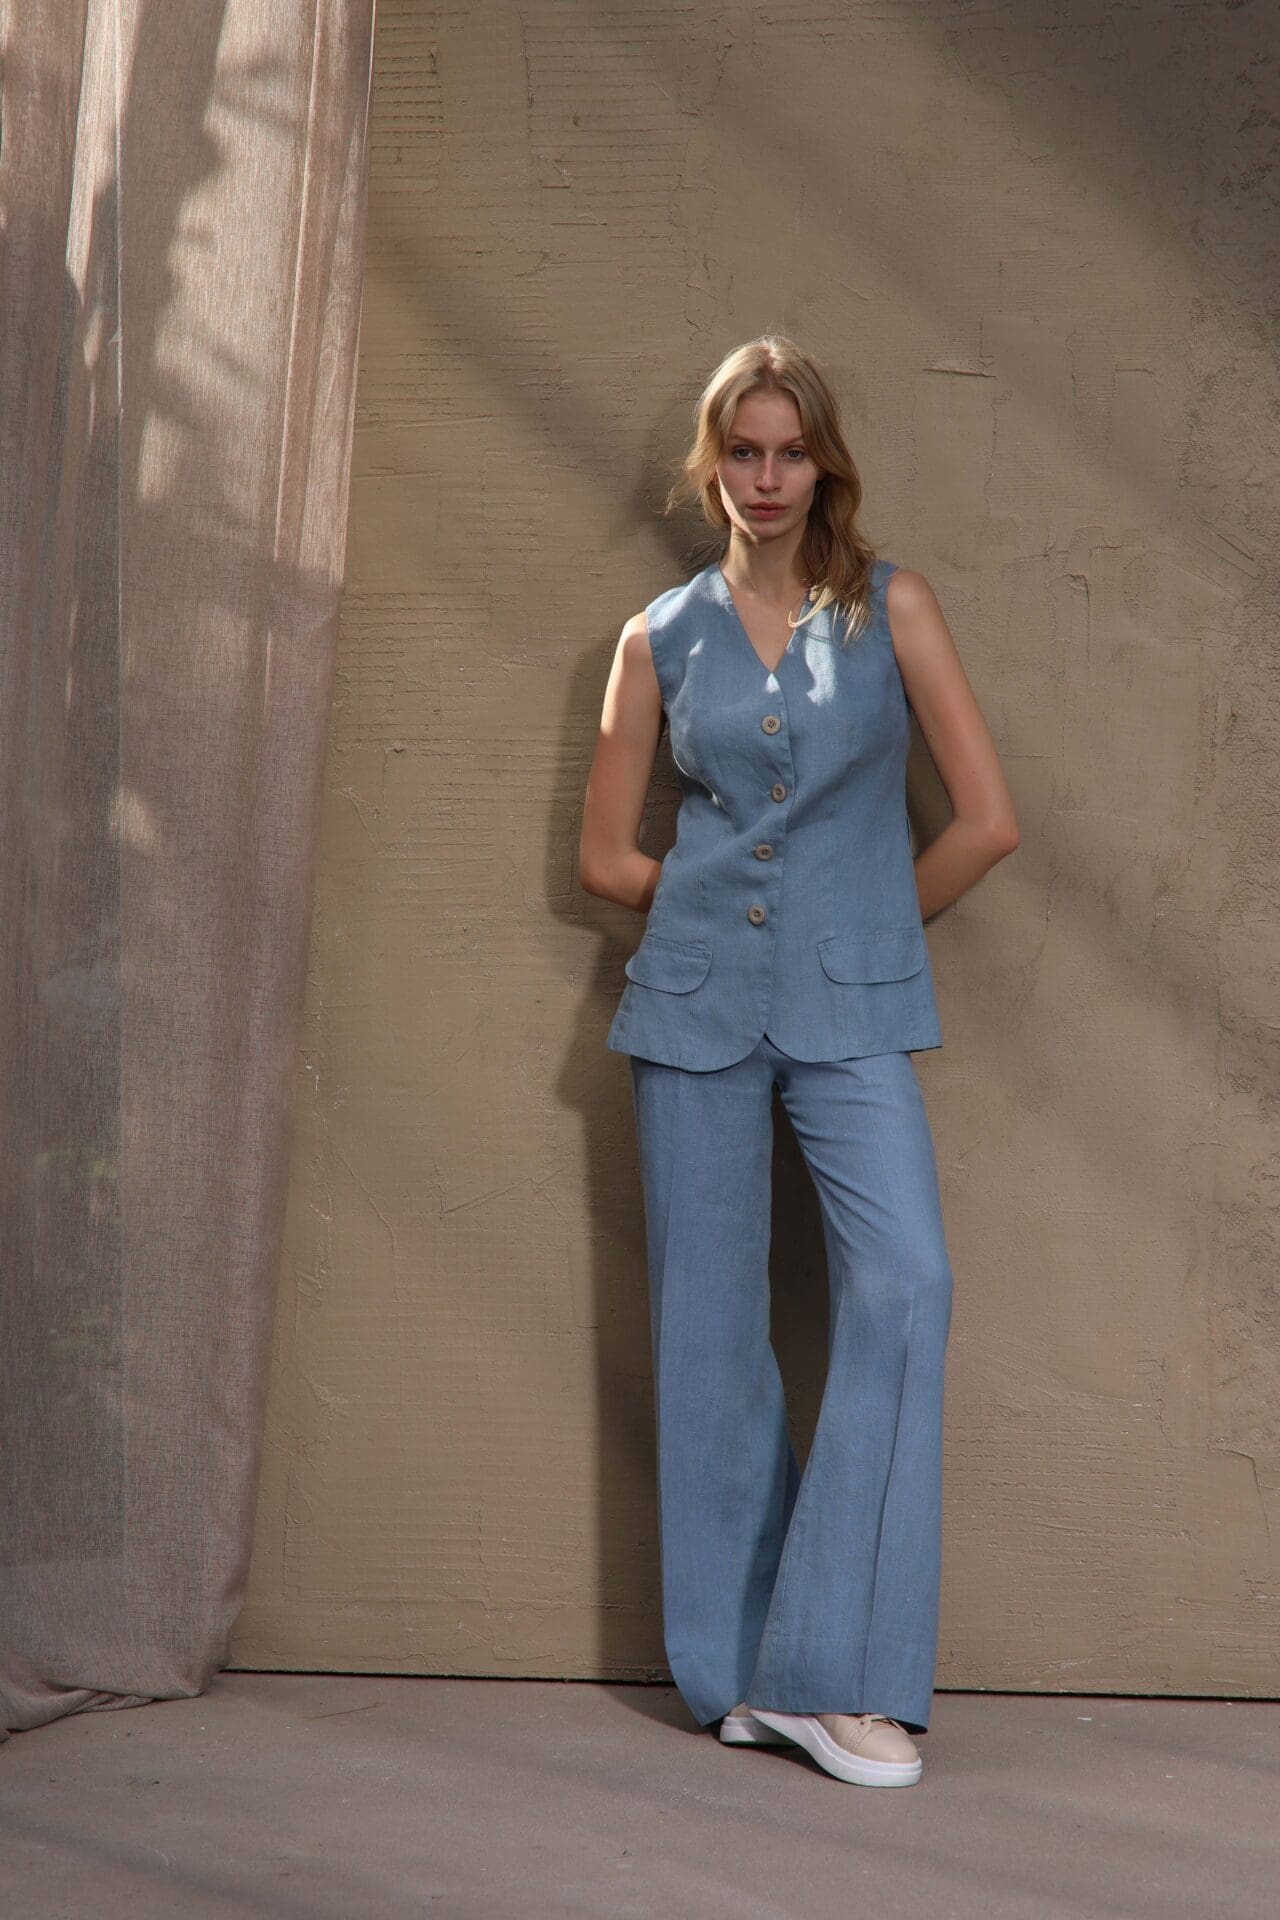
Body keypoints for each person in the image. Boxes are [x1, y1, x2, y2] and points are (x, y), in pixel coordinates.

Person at [578, 335, 1019, 1787]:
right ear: (711, 464)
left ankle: (833, 1673)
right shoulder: (658, 636)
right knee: (710, 1339)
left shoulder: (895, 608)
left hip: (851, 1007)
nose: (766, 479)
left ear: (825, 465)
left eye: (791, 452)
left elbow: (986, 822)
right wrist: (713, 914)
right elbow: (606, 858)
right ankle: (741, 1680)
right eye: (742, 452)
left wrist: (856, 932)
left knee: (905, 1284)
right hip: (692, 1007)